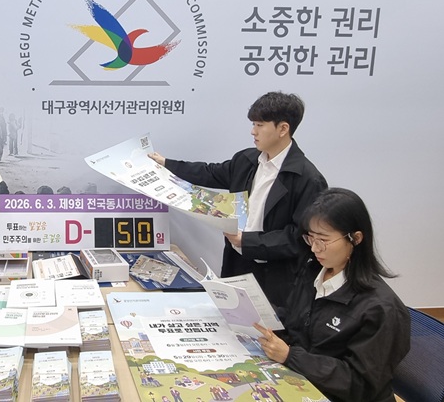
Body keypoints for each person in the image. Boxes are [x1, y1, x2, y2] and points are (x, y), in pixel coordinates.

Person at [148, 92, 327, 308]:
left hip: (276, 277)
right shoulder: (247, 160)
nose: (253, 131)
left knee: (267, 327)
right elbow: (209, 172)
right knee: (232, 318)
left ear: (283, 129)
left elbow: (299, 238)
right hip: (237, 264)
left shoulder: (307, 178)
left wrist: (247, 241)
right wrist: (166, 164)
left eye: (260, 125)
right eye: (253, 124)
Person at [253, 188, 410, 402]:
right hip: (304, 382)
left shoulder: (380, 308)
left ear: (355, 238)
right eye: (310, 238)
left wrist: (291, 356)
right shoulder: (313, 272)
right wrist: (260, 314)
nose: (315, 249)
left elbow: (361, 384)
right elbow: (297, 324)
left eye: (323, 240)